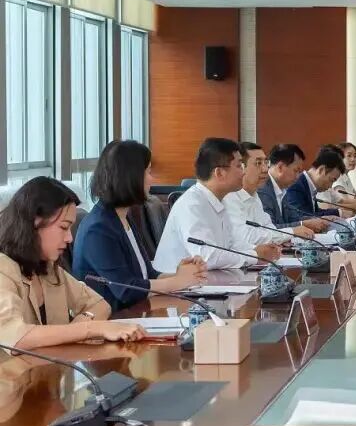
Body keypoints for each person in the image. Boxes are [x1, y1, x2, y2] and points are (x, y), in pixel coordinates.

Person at [0, 177, 146, 349]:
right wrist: (90, 329)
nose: (69, 238)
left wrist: (81, 323)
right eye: (63, 227)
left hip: (52, 366)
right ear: (34, 222)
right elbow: (16, 337)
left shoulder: (47, 268)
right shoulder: (3, 269)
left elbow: (99, 304)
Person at [73, 140, 208, 311]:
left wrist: (183, 274)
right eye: (148, 172)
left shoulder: (123, 217)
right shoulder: (98, 229)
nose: (152, 179)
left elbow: (147, 276)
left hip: (136, 313)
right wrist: (178, 282)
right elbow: (127, 290)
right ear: (131, 177)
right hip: (114, 318)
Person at [155, 138, 282, 272]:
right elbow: (207, 257)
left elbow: (232, 244)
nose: (244, 172)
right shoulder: (192, 204)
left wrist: (257, 250)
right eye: (239, 166)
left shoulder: (219, 200)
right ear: (219, 173)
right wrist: (255, 255)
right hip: (177, 283)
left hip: (207, 279)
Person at [225, 142, 316, 246]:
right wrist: (291, 233)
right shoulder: (229, 197)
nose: (265, 169)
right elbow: (246, 237)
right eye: (258, 163)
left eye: (266, 163)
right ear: (241, 167)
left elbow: (268, 228)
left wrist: (283, 238)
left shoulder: (255, 196)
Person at [258, 144, 330, 233]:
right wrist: (303, 224)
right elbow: (270, 229)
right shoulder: (263, 190)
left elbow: (293, 217)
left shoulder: (282, 189)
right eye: (296, 171)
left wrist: (319, 219)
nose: (298, 176)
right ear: (280, 167)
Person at [282, 149, 349, 224]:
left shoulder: (308, 184)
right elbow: (301, 217)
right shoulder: (296, 185)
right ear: (321, 170)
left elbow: (314, 212)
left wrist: (339, 212)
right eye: (331, 180)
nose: (330, 186)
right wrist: (338, 213)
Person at [317, 143, 356, 214]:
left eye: (355, 156)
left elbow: (345, 201)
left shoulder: (345, 176)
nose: (353, 159)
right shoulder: (335, 178)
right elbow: (328, 208)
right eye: (349, 156)